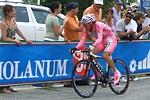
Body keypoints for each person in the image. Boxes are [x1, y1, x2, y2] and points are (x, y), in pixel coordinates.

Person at [71, 14, 121, 85]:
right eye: (84, 25)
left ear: (91, 23)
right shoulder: (86, 29)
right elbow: (83, 40)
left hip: (110, 39)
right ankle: (98, 71)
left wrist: (92, 45)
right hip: (103, 41)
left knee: (105, 56)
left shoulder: (98, 25)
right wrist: (76, 48)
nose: (85, 27)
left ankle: (116, 72)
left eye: (86, 25)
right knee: (92, 53)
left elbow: (99, 38)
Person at [0, 4, 32, 93]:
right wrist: (14, 41)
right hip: (6, 46)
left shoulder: (13, 20)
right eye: (12, 11)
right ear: (7, 12)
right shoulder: (3, 23)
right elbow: (4, 38)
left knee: (13, 65)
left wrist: (26, 39)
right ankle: (3, 87)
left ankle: (8, 85)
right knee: (5, 66)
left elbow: (17, 30)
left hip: (13, 45)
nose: (14, 12)